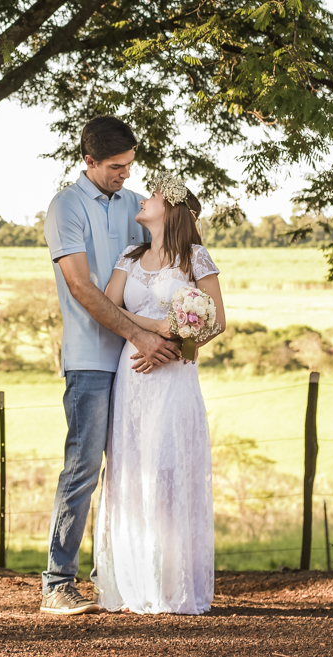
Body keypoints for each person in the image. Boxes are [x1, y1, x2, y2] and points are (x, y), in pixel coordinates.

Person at [39, 116, 181, 616]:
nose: (125, 175)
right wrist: (142, 334)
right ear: (89, 161)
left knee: (133, 469)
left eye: (130, 165)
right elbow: (81, 287)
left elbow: (162, 260)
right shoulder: (65, 207)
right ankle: (57, 583)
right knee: (83, 469)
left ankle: (120, 577)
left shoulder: (132, 204)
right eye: (116, 167)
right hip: (91, 360)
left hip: (137, 361)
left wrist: (182, 325)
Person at [92, 173, 225, 614]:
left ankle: (172, 583)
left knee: (169, 467)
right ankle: (134, 582)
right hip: (132, 374)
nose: (142, 199)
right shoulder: (129, 258)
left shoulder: (194, 258)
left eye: (151, 195)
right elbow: (110, 309)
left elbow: (215, 321)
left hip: (174, 377)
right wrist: (153, 332)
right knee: (132, 467)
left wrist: (172, 348)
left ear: (169, 209)